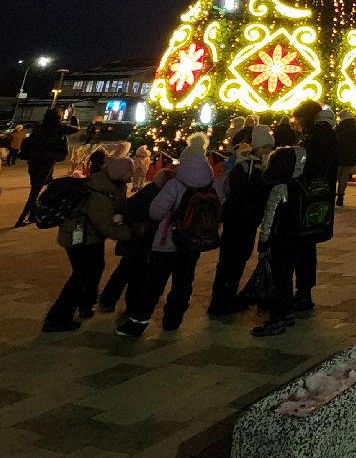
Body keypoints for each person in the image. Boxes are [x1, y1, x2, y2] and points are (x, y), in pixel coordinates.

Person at [116, 144, 218, 337]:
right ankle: (173, 320)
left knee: (154, 283)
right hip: (192, 244)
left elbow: (155, 212)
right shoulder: (209, 185)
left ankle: (138, 322)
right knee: (184, 282)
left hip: (167, 243)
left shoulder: (175, 185)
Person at [44, 156, 136, 332]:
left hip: (91, 237)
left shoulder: (113, 186)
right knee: (81, 275)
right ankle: (57, 317)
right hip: (79, 238)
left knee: (95, 268)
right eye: (129, 172)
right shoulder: (100, 193)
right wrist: (132, 233)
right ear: (120, 173)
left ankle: (86, 304)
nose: (133, 175)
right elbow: (105, 225)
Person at [208, 124, 273, 316]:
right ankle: (220, 301)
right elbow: (242, 194)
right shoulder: (245, 167)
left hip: (245, 221)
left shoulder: (255, 167)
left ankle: (228, 296)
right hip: (239, 220)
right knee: (230, 260)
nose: (268, 152)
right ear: (258, 147)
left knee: (239, 259)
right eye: (266, 148)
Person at [252, 143, 305, 338]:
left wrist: (263, 242)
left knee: (277, 279)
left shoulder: (279, 189)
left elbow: (269, 218)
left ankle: (277, 318)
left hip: (280, 240)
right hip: (297, 239)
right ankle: (287, 311)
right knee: (286, 276)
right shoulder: (299, 184)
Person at [293, 103, 339, 310]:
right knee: (306, 246)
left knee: (305, 245)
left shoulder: (319, 134)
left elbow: (314, 165)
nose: (298, 123)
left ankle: (303, 293)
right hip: (317, 196)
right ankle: (304, 291)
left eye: (300, 118)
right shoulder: (321, 132)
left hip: (312, 197)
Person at [99, 167, 163, 314]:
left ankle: (110, 300)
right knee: (132, 272)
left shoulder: (149, 191)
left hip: (137, 239)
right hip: (139, 239)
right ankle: (123, 303)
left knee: (126, 271)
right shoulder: (153, 195)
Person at [15, 110, 72, 227]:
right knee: (35, 192)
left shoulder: (39, 128)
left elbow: (29, 142)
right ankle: (21, 218)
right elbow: (75, 129)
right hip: (46, 162)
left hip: (33, 161)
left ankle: (32, 215)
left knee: (36, 187)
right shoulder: (58, 129)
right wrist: (74, 117)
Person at [334, 109, 356, 205]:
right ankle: (341, 196)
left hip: (338, 156)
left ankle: (331, 196)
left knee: (335, 177)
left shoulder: (339, 128)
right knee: (344, 177)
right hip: (350, 156)